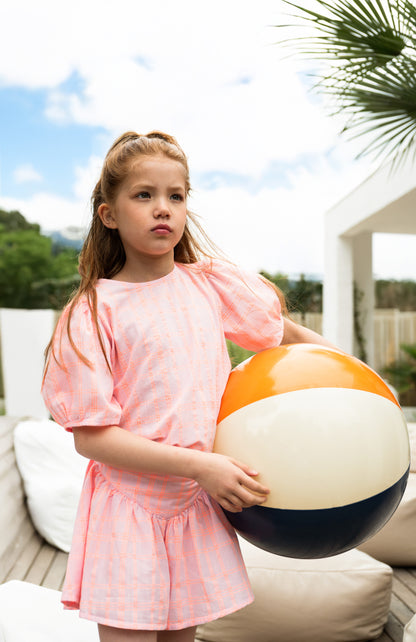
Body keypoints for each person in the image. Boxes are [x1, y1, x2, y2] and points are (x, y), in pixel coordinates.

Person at [42, 131, 334, 642]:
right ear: (108, 213)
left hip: (195, 507)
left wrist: (360, 382)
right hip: (130, 511)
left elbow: (285, 335)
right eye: (144, 195)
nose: (163, 209)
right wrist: (202, 465)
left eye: (176, 196)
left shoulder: (209, 286)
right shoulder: (92, 312)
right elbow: (90, 437)